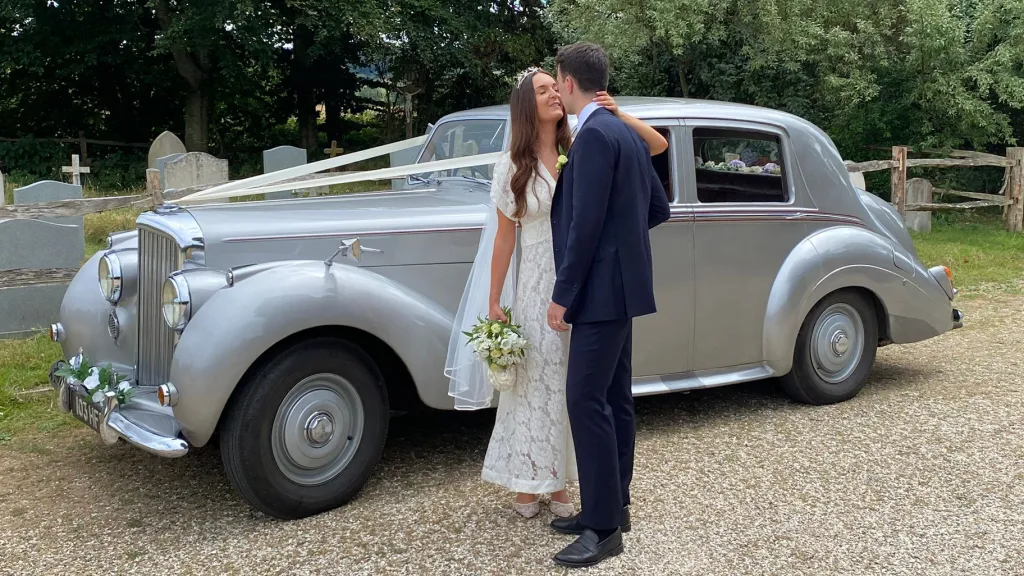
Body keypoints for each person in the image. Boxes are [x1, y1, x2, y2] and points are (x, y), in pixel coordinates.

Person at [444, 66, 668, 521]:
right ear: (527, 105)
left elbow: (655, 146)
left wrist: (618, 113)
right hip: (537, 282)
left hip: (581, 280)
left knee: (579, 386)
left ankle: (564, 482)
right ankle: (529, 479)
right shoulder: (512, 164)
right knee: (537, 385)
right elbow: (505, 238)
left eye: (553, 86)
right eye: (541, 90)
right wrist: (494, 300)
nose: (551, 94)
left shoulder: (581, 144)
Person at [545, 42, 671, 568]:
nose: (556, 89)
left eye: (556, 82)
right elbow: (658, 209)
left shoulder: (596, 136)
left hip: (598, 293)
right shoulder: (620, 132)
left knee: (585, 401)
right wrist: (622, 247)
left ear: (569, 83)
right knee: (614, 397)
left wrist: (563, 295)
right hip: (622, 288)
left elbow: (585, 227)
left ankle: (602, 529)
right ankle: (612, 505)